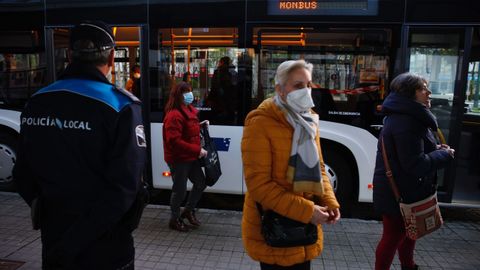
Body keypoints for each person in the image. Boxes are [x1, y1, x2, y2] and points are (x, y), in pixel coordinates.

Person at [13, 21, 146, 270]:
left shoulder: (37, 102)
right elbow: (125, 187)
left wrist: (57, 227)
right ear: (111, 57)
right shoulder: (122, 107)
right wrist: (77, 239)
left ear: (70, 55)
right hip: (107, 248)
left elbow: (22, 175)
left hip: (55, 242)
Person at [241, 60, 341, 270]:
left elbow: (320, 168)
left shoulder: (310, 120)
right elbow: (259, 185)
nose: (305, 90)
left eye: (308, 84)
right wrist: (307, 211)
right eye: (298, 85)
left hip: (305, 232)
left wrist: (330, 202)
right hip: (276, 232)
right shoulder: (260, 122)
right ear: (280, 89)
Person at [373, 72, 455, 270]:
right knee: (393, 237)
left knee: (410, 233)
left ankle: (408, 266)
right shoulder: (407, 122)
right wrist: (445, 155)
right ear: (410, 94)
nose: (429, 93)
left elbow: (413, 153)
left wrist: (435, 150)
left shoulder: (409, 117)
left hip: (405, 189)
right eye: (423, 88)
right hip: (399, 192)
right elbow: (415, 164)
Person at [163, 81, 208, 232]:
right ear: (179, 96)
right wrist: (197, 150)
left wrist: (200, 125)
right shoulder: (174, 115)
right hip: (179, 159)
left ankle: (188, 210)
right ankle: (174, 219)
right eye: (186, 92)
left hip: (190, 156)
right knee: (180, 190)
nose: (190, 95)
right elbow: (174, 141)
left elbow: (188, 130)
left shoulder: (188, 109)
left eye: (190, 91)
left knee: (200, 183)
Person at [208, 56, 238, 124]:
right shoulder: (233, 73)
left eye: (219, 62)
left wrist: (209, 99)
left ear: (222, 63)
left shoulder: (217, 73)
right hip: (229, 105)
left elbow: (214, 88)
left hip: (218, 104)